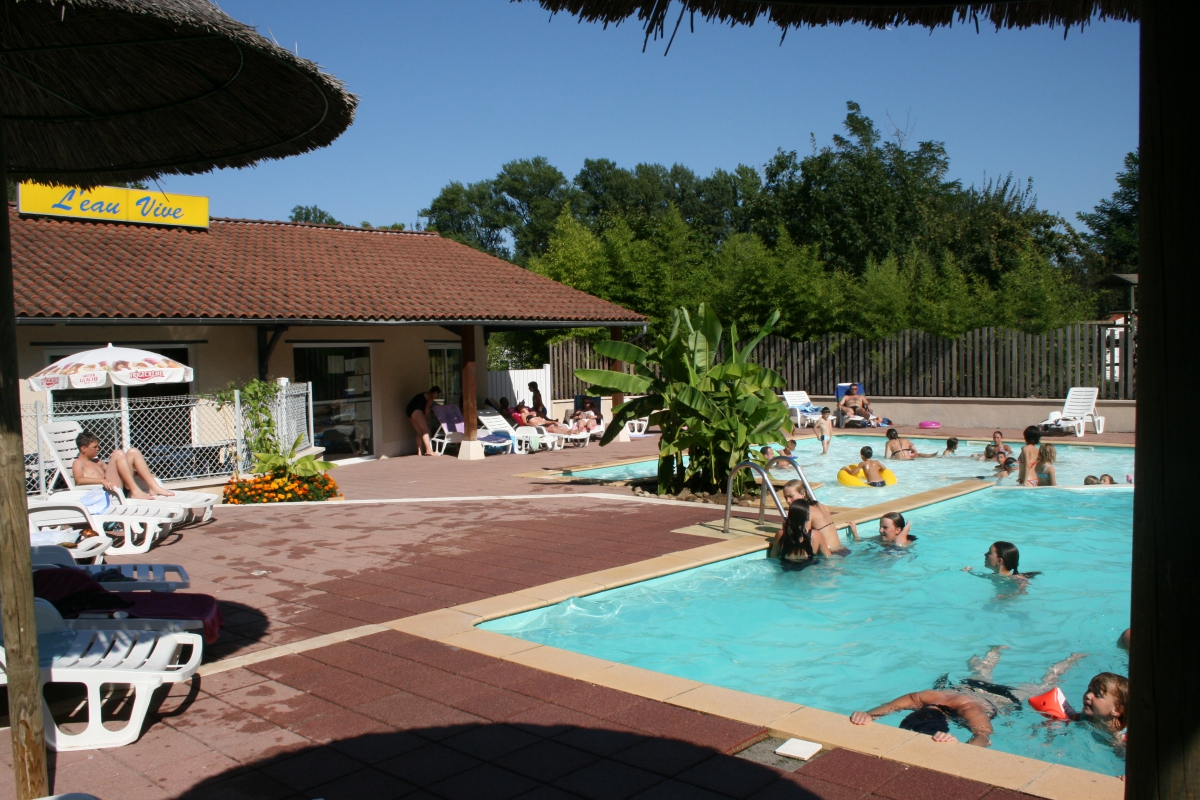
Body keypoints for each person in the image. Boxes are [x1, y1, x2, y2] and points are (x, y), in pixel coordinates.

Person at [850, 648, 1087, 747]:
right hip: (968, 686)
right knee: (980, 674)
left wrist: (962, 749)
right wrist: (869, 715)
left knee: (1044, 685)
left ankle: (1069, 661)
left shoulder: (969, 709)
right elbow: (891, 707)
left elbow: (984, 735)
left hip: (999, 697)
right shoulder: (925, 697)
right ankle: (994, 652)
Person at [72, 430, 175, 500]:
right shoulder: (78, 462)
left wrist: (140, 474)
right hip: (107, 492)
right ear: (83, 448)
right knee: (118, 454)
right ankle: (135, 491)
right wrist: (102, 481)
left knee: (133, 452)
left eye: (98, 446)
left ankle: (153, 487)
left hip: (118, 486)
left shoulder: (97, 462)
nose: (98, 449)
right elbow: (79, 480)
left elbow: (119, 472)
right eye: (94, 447)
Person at [781, 479, 858, 554]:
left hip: (830, 554)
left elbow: (803, 538)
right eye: (785, 497)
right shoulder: (821, 506)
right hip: (843, 550)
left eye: (791, 496)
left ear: (803, 494)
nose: (788, 501)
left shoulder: (807, 511)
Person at [964, 541, 1040, 580]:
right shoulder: (993, 576)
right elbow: (982, 576)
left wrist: (1005, 597)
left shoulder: (1017, 579)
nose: (985, 554)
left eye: (990, 552)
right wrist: (969, 571)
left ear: (1000, 561)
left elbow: (1022, 593)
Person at [406, 386, 441, 456]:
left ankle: (419, 451)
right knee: (426, 430)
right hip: (416, 411)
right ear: (435, 392)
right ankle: (429, 450)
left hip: (409, 411)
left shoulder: (423, 394)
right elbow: (427, 409)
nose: (438, 396)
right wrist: (427, 420)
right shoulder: (431, 397)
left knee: (419, 432)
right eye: (438, 394)